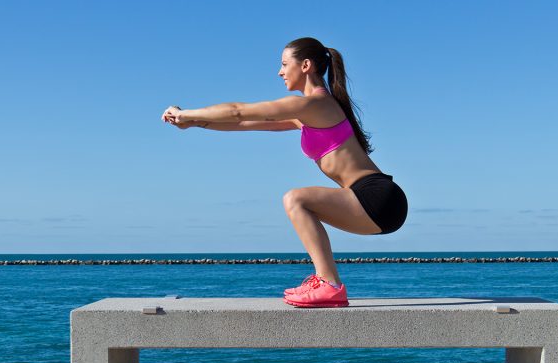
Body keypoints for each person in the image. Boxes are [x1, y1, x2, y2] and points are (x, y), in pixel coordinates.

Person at [161, 37, 407, 308]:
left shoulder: (315, 105)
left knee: (296, 199)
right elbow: (243, 122)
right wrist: (194, 123)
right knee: (297, 200)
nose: (279, 71)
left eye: (283, 64)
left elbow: (237, 110)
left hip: (377, 197)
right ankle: (326, 283)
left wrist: (186, 113)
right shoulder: (306, 113)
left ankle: (329, 284)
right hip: (376, 202)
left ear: (305, 65)